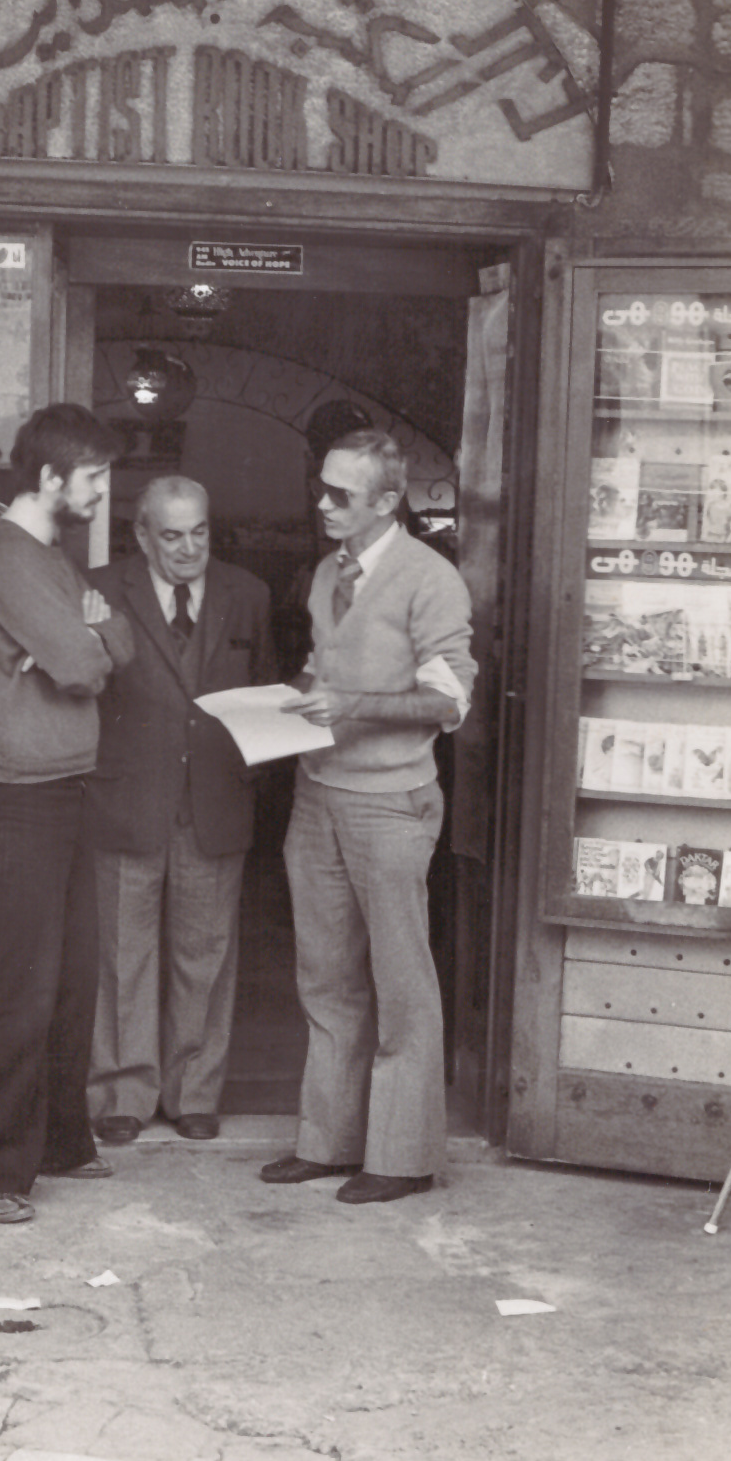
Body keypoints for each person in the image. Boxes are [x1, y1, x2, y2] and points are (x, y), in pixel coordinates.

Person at [262, 428, 476, 1206]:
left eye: (340, 494)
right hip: (318, 792)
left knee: (400, 980)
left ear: (388, 501)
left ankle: (403, 1155)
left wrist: (350, 703)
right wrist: (286, 701)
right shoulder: (329, 571)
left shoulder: (430, 578)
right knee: (324, 977)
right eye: (320, 487)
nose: (321, 503)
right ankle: (328, 1141)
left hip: (390, 802)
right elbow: (325, 668)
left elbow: (450, 699)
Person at [0, 403, 135, 1224]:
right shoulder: (10, 557)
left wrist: (84, 637)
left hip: (64, 786)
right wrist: (80, 640)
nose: (101, 490)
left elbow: (117, 641)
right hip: (18, 795)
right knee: (15, 984)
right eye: (92, 476)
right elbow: (86, 666)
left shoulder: (49, 556)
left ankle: (56, 1141)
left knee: (69, 977)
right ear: (50, 477)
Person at [84, 476, 276, 1145]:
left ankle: (194, 1090)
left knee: (206, 955)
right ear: (142, 535)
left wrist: (248, 775)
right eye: (172, 535)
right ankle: (123, 1092)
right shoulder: (100, 591)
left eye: (200, 532)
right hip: (126, 798)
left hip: (215, 801)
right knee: (122, 955)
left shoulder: (248, 595)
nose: (190, 548)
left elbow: (265, 690)